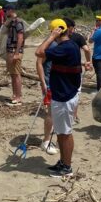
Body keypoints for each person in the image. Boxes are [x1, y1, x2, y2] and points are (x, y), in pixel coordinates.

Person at [35, 19, 82, 177]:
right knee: (62, 133)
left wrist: (50, 37)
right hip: (64, 93)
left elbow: (39, 52)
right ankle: (63, 162)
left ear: (56, 31)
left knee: (65, 133)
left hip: (64, 96)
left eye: (52, 32)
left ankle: (67, 167)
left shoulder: (65, 47)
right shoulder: (70, 46)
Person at [64, 18, 92, 123]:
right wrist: (88, 62)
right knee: (76, 93)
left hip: (61, 69)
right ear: (70, 27)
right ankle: (74, 115)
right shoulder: (78, 37)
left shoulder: (58, 37)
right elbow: (87, 49)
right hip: (75, 69)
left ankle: (67, 114)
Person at [4, 4, 24, 105]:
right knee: (12, 74)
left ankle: (18, 96)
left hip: (14, 51)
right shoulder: (11, 22)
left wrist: (16, 53)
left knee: (16, 74)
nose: (5, 12)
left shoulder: (18, 21)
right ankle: (14, 95)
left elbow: (21, 37)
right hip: (10, 51)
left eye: (6, 10)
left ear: (11, 10)